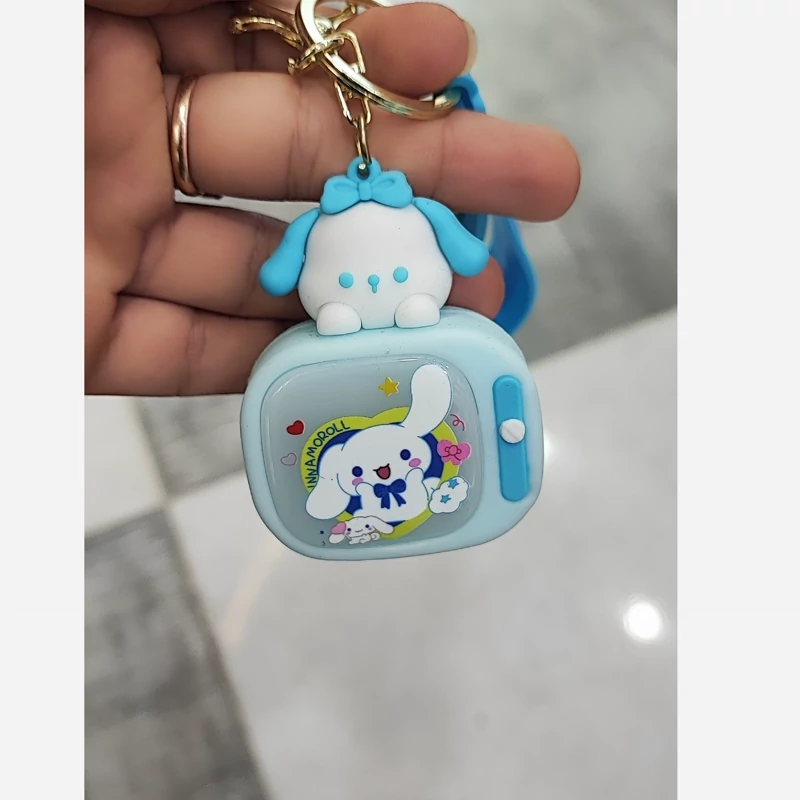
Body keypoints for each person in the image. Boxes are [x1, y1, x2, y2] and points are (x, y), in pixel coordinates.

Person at [85, 0, 580, 396]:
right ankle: (349, 308)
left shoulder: (393, 213)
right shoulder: (352, 218)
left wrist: (466, 251)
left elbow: (460, 246)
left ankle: (394, 302)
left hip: (410, 304)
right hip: (341, 312)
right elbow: (282, 268)